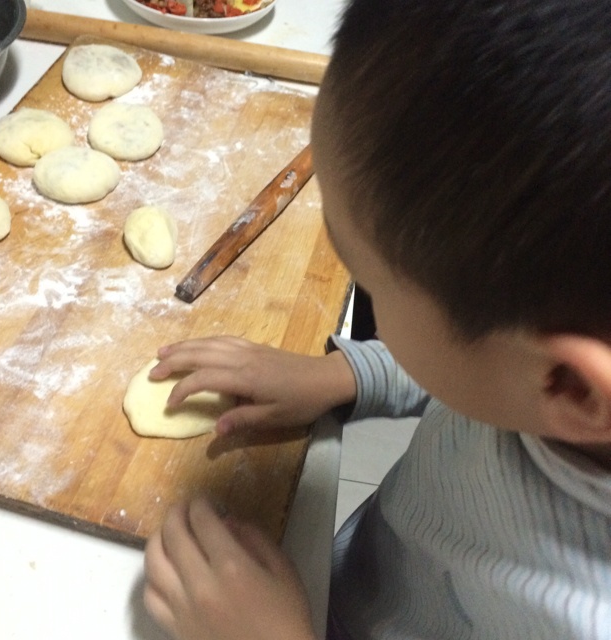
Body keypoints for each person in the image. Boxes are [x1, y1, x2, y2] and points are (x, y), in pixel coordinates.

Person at [142, 0, 611, 638]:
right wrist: (348, 376)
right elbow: (484, 375)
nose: (364, 299)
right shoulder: (546, 371)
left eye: (369, 283)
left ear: (571, 386)